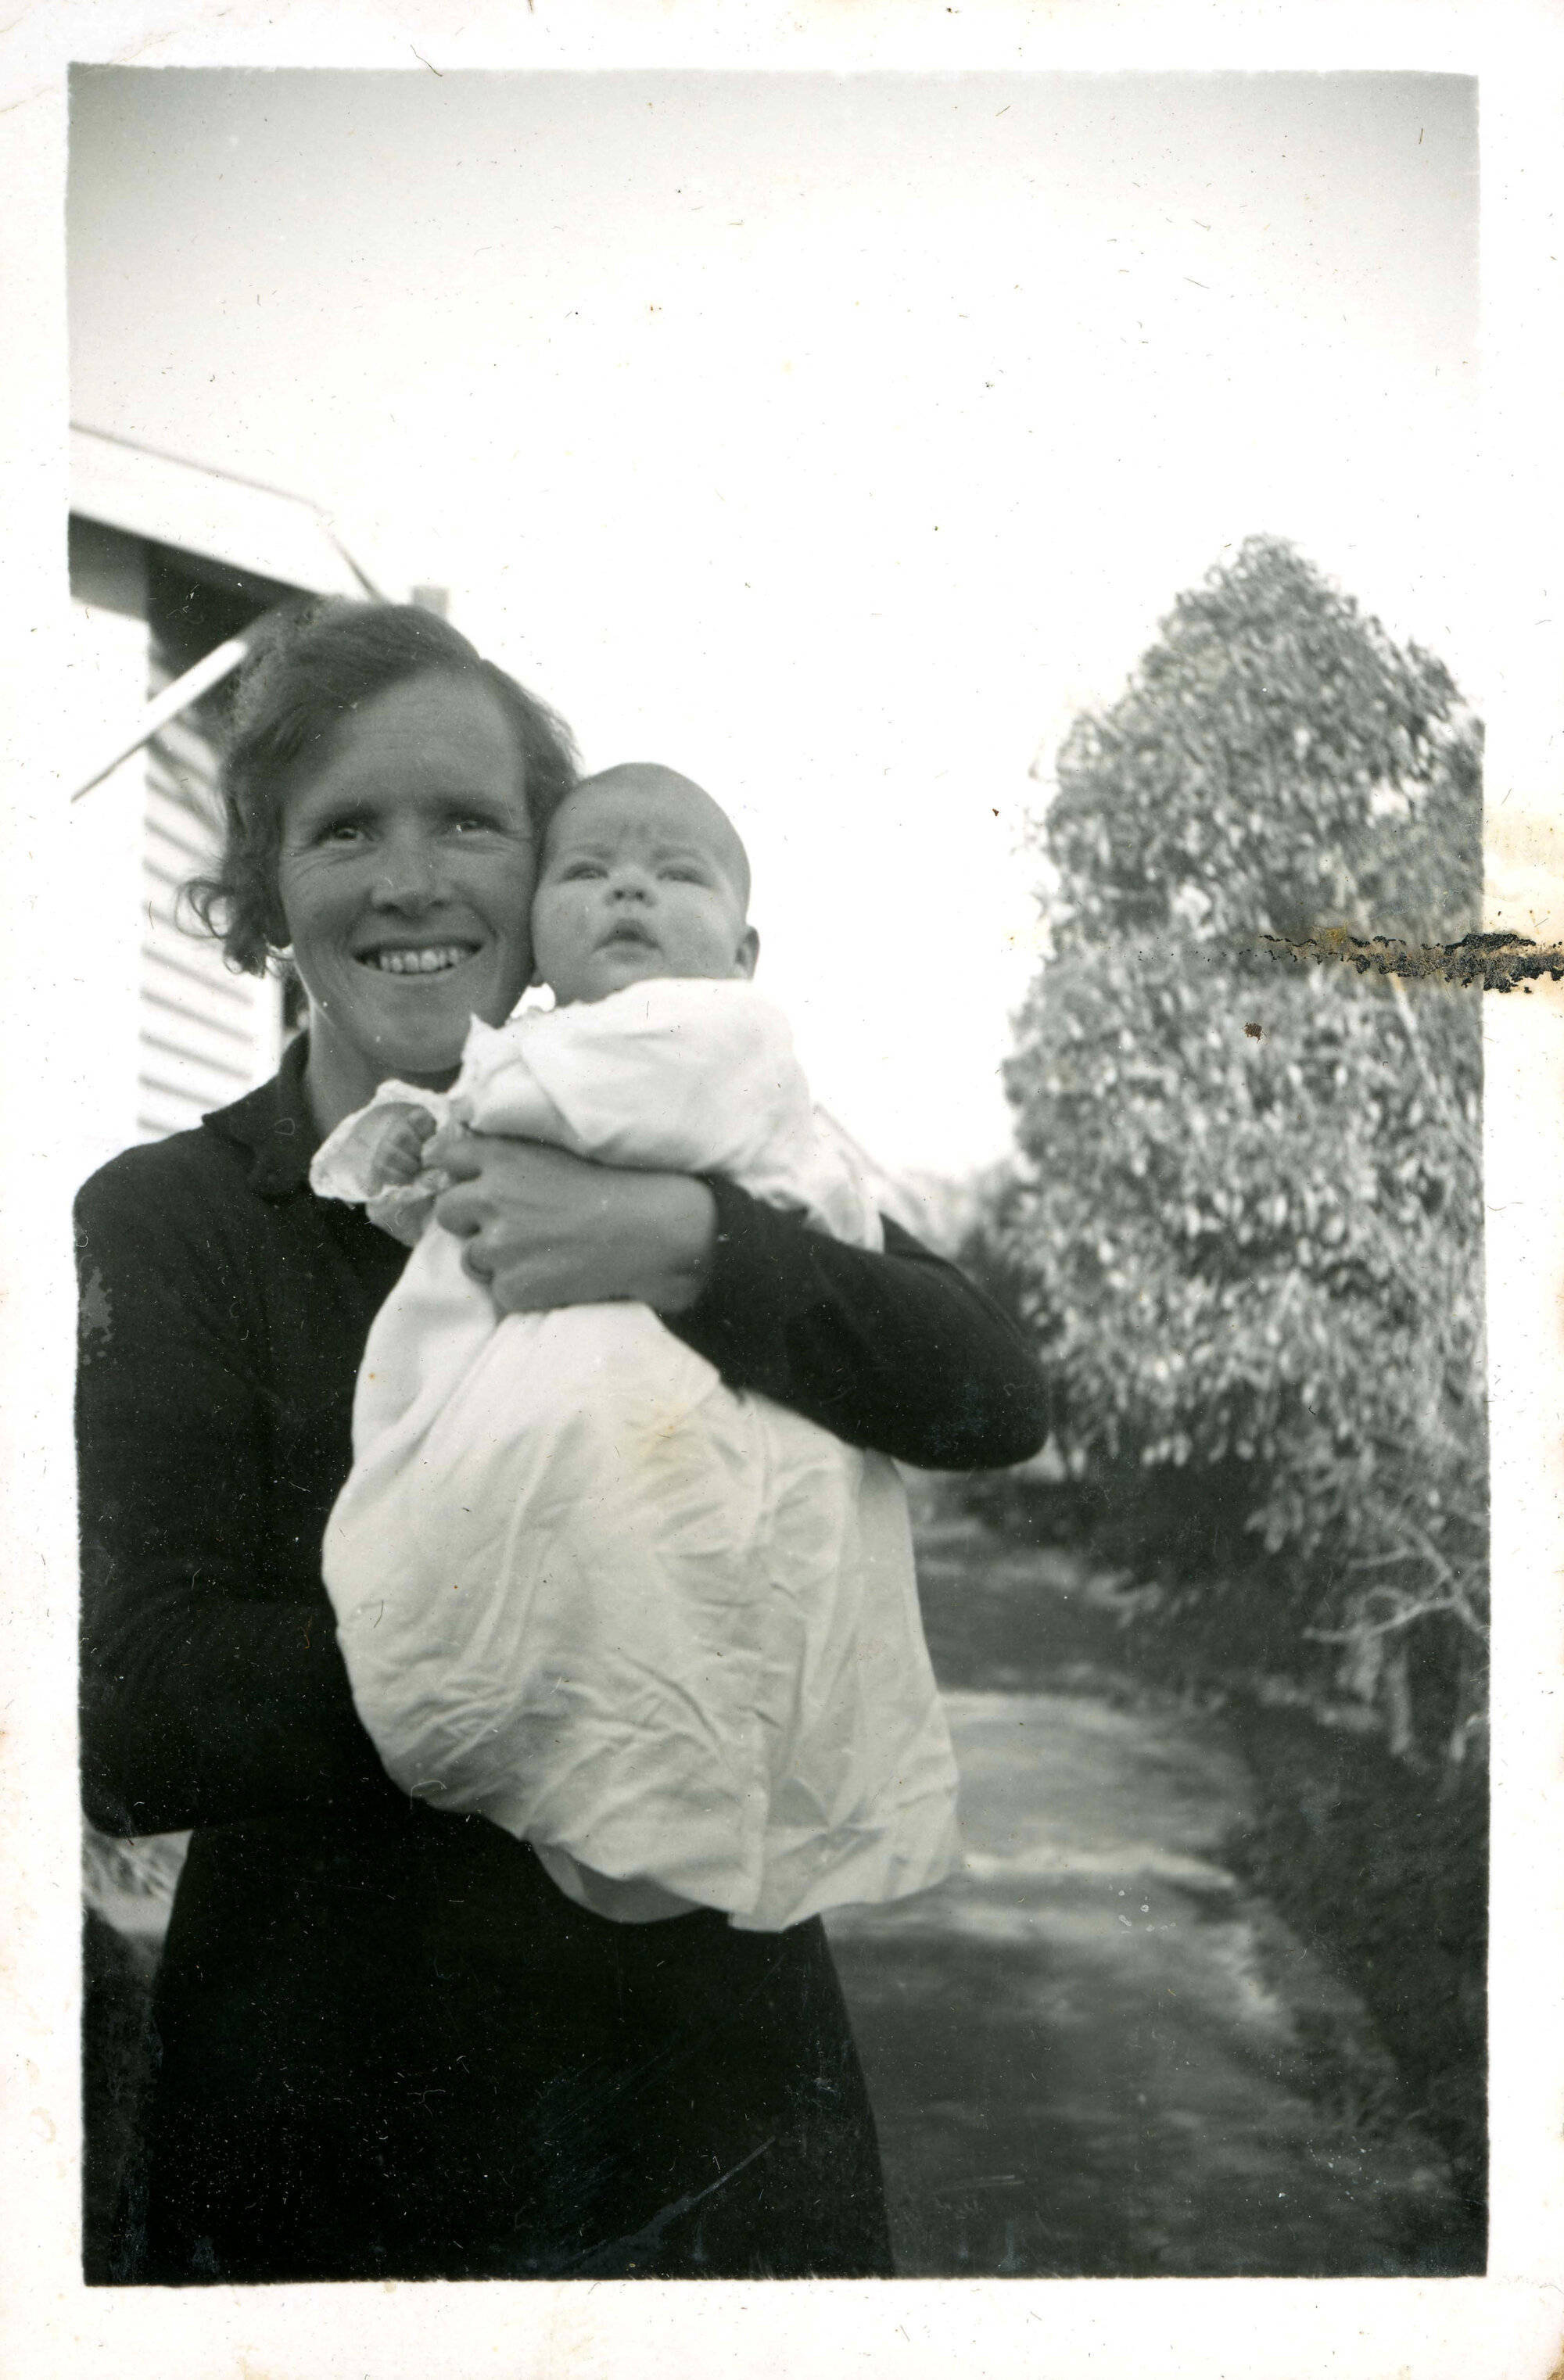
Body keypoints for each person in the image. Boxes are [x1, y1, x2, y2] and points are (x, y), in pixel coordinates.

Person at [75, 600, 1050, 2285]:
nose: (408, 879)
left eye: (468, 821)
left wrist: (681, 1242)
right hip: (328, 2115)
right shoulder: (170, 1222)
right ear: (265, 888)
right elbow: (136, 1714)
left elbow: (986, 1394)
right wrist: (555, 1629)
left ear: (545, 873)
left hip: (710, 2094)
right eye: (343, 829)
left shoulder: (707, 1147)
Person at [310, 763, 961, 1933]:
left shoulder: (721, 1038)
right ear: (539, 936)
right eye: (590, 872)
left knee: (702, 1584)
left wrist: (469, 1115)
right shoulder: (554, 1055)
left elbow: (618, 1104)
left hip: (709, 1429)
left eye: (675, 875)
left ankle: (644, 1818)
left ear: (746, 953)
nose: (629, 893)